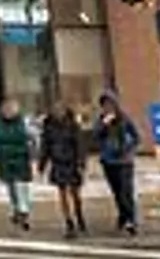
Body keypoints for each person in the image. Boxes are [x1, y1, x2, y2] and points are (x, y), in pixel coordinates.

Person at [36, 101, 89, 238]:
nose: (57, 113)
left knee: (75, 194)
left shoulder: (72, 125)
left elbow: (80, 145)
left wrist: (81, 163)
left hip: (71, 162)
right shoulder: (48, 126)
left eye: (60, 110)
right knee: (62, 193)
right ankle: (69, 221)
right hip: (58, 163)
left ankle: (79, 216)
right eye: (55, 110)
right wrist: (42, 165)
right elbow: (45, 147)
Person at [92, 91, 141, 236]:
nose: (107, 107)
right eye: (104, 104)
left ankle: (131, 219)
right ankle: (123, 216)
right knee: (117, 192)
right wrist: (103, 125)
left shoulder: (124, 119)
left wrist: (128, 149)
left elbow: (136, 137)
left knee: (126, 191)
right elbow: (95, 137)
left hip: (124, 161)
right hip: (109, 161)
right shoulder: (101, 120)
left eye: (110, 104)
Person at [0, 100, 34, 231]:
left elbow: (33, 136)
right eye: (7, 109)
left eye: (12, 109)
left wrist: (31, 149)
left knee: (21, 183)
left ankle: (23, 208)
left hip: (20, 156)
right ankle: (15, 207)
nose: (9, 112)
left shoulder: (24, 122)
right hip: (4, 157)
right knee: (10, 183)